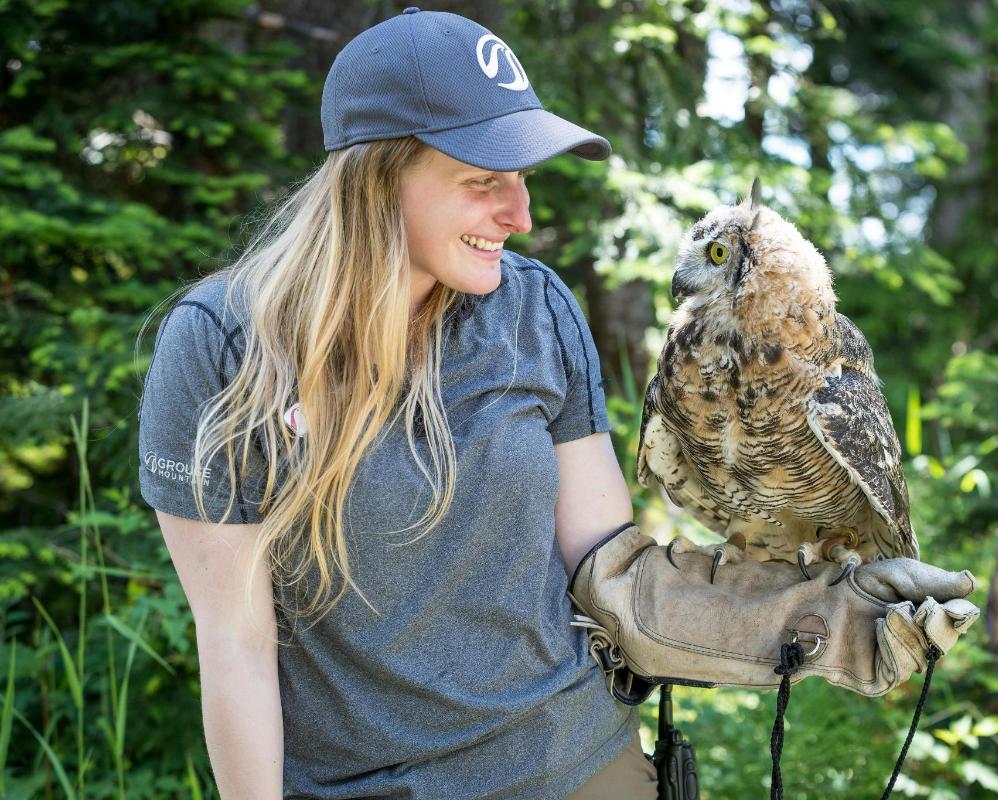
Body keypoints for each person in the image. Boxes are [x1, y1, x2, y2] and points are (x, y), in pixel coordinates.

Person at [138, 8, 657, 799]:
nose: (521, 216)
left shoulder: (535, 308)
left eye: (523, 178)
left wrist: (779, 609)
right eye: (485, 181)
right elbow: (236, 642)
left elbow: (605, 558)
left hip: (575, 760)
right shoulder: (223, 344)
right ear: (377, 179)